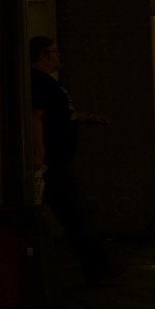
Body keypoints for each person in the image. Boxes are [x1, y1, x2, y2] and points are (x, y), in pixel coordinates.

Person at [29, 35, 112, 282]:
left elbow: (59, 115)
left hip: (55, 160)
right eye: (55, 51)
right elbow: (37, 118)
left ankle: (94, 267)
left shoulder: (46, 83)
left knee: (64, 214)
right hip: (54, 162)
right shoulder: (40, 82)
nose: (59, 56)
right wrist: (39, 154)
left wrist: (85, 118)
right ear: (43, 55)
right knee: (73, 216)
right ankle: (96, 268)